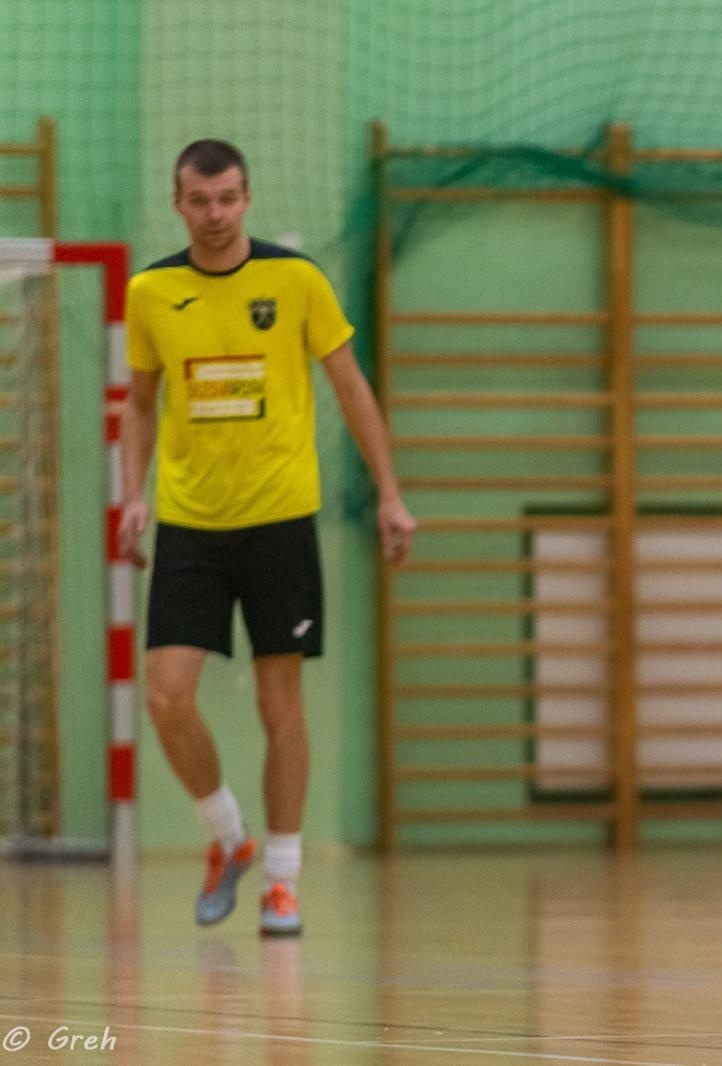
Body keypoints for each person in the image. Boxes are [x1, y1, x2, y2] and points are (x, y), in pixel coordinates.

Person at [119, 139, 417, 936]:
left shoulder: (296, 280)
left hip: (281, 520)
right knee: (166, 694)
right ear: (177, 204)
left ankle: (283, 880)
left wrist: (390, 494)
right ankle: (229, 836)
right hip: (191, 524)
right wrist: (132, 496)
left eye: (227, 198)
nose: (215, 214)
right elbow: (140, 404)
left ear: (246, 198)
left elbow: (350, 386)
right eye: (199, 200)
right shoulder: (151, 291)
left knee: (278, 701)